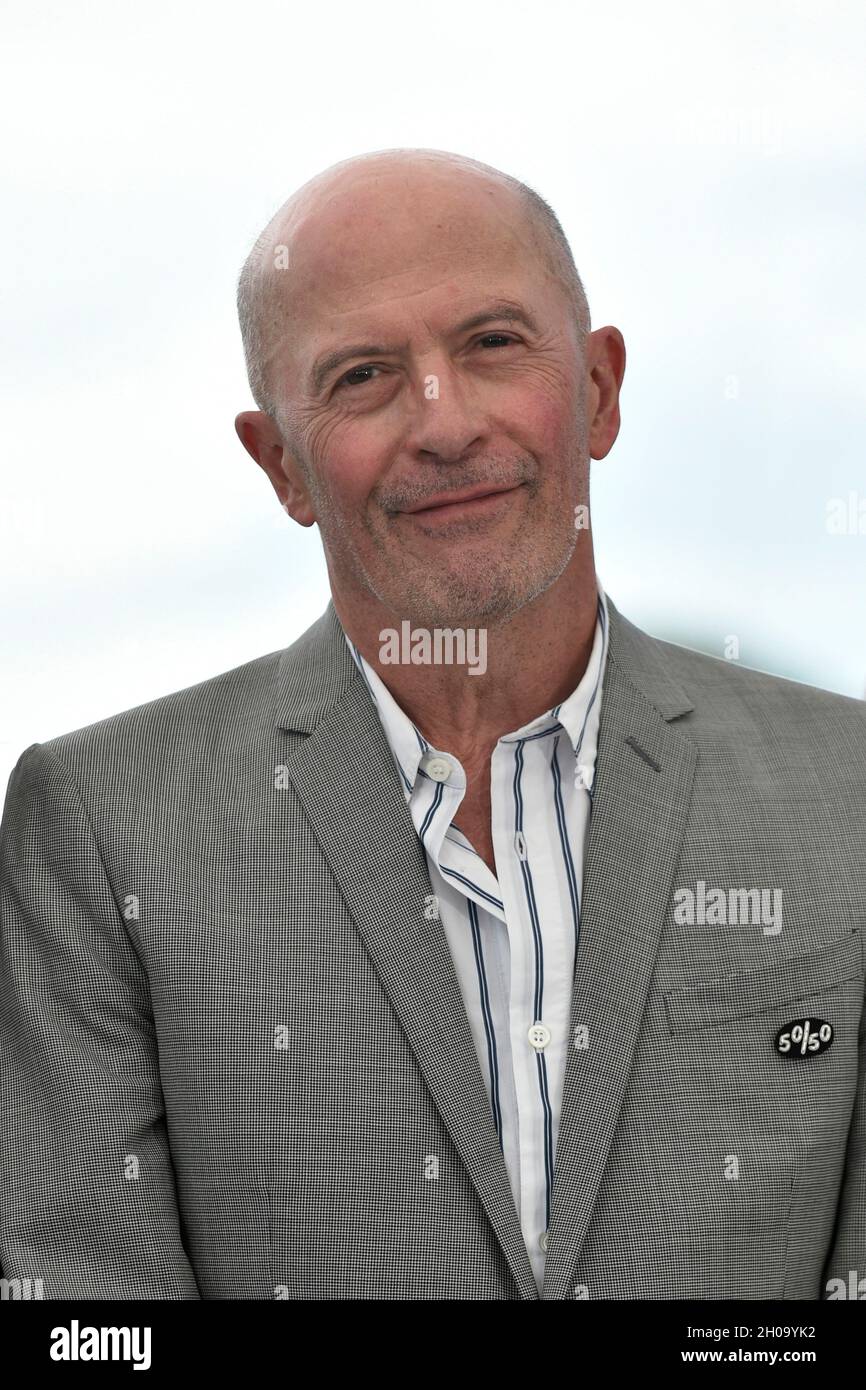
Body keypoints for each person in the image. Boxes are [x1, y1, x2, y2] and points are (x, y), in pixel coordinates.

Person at [1, 148, 864, 1300]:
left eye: (492, 344)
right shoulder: (103, 833)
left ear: (598, 391)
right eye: (360, 375)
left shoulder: (844, 792)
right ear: (281, 467)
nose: (441, 421)